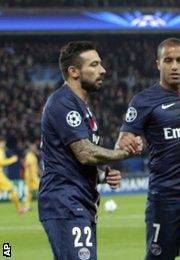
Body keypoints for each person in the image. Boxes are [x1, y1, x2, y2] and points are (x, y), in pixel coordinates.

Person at [39, 41, 142, 259]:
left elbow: (74, 159)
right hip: (66, 202)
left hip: (79, 204)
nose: (102, 70)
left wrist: (103, 174)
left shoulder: (82, 108)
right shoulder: (62, 102)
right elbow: (85, 153)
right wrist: (124, 153)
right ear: (73, 72)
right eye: (94, 65)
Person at [117, 38, 180, 260]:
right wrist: (130, 143)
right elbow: (123, 139)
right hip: (165, 199)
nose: (174, 66)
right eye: (168, 60)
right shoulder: (143, 100)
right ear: (158, 64)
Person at [0, 136, 21, 213]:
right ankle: (19, 209)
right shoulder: (0, 151)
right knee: (11, 189)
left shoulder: (2, 150)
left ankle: (19, 209)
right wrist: (12, 159)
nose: (3, 144)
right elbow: (1, 162)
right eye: (2, 142)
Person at [20, 142, 41, 213]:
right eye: (34, 147)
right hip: (30, 177)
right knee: (41, 188)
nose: (35, 148)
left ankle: (27, 206)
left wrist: (40, 173)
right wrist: (31, 176)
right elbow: (28, 166)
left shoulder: (33, 156)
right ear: (31, 148)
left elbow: (36, 167)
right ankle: (27, 207)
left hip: (33, 176)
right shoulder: (29, 155)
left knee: (30, 192)